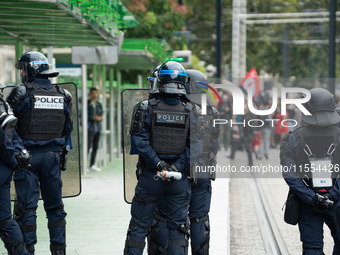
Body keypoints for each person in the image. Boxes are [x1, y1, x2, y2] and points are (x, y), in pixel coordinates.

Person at [123, 61, 203, 255]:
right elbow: (197, 146)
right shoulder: (192, 111)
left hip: (151, 177)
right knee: (177, 231)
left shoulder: (144, 107)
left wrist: (157, 163)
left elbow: (139, 141)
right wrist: (176, 167)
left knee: (139, 227)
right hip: (179, 180)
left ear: (160, 80)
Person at [6, 51, 73, 255]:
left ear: (28, 71)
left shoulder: (21, 93)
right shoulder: (63, 94)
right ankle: (59, 250)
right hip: (53, 157)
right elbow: (67, 127)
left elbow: (8, 126)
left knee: (27, 209)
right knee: (55, 209)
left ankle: (29, 249)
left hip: (27, 158)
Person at [281, 88, 340, 254]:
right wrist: (332, 194)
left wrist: (311, 197)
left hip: (308, 202)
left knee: (312, 247)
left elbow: (290, 174)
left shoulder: (293, 137)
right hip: (337, 200)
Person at [0, 85, 30, 255]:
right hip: (3, 173)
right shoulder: (4, 106)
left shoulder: (4, 106)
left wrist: (17, 157)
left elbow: (7, 140)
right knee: (5, 221)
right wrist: (18, 159)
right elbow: (10, 139)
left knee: (5, 221)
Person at [87, 87, 103, 172]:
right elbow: (83, 115)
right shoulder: (87, 104)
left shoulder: (99, 104)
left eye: (96, 93)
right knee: (87, 146)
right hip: (90, 128)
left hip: (98, 128)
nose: (95, 95)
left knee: (95, 147)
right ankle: (84, 165)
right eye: (93, 93)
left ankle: (92, 164)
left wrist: (100, 117)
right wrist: (93, 117)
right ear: (90, 94)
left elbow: (101, 113)